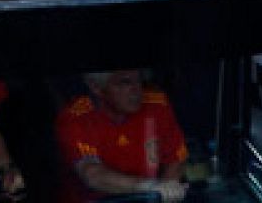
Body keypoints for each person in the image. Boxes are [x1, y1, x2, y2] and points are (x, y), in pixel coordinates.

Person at [55, 70, 189, 203]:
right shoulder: (76, 117)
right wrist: (151, 187)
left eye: (139, 80)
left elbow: (175, 159)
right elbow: (92, 174)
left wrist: (167, 190)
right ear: (96, 87)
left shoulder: (156, 104)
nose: (137, 90)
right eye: (124, 83)